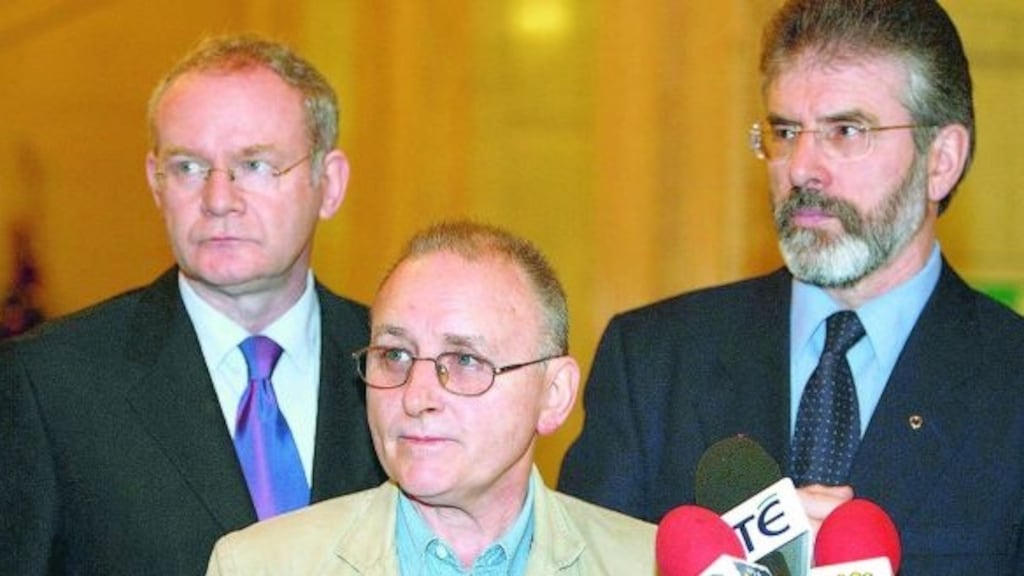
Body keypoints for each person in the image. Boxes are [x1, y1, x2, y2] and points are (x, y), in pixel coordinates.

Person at [558, 0, 1024, 573]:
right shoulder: (654, 361)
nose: (801, 168)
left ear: (941, 160)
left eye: (846, 130)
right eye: (784, 131)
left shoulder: (1012, 382)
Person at [0, 34, 386, 575]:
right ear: (155, 184)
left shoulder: (400, 368)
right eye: (187, 167)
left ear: (330, 183)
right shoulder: (51, 384)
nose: (219, 199)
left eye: (254, 165)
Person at [205, 220, 656, 575]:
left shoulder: (649, 566)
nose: (416, 396)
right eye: (395, 355)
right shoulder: (260, 566)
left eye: (464, 360)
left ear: (554, 394)